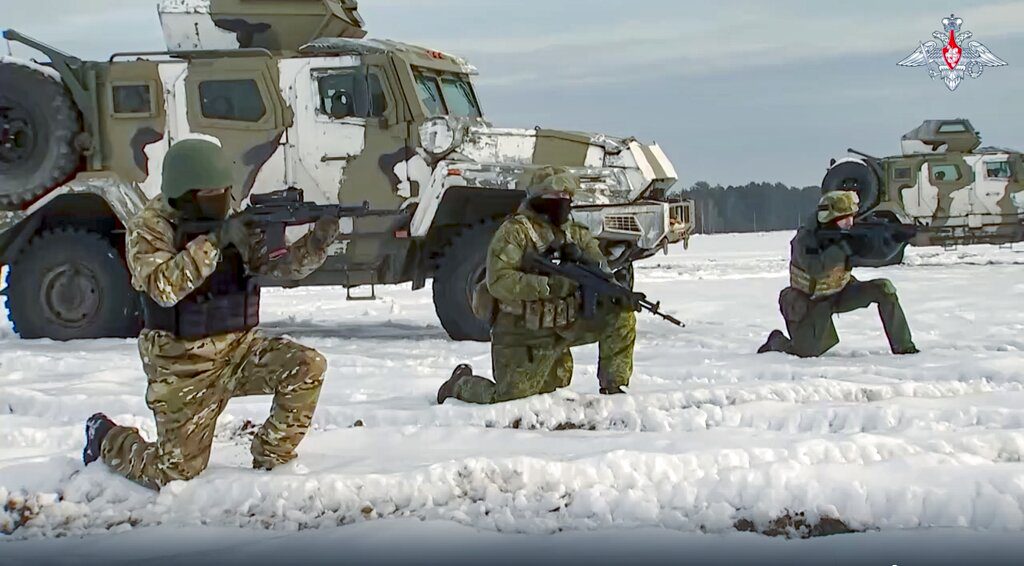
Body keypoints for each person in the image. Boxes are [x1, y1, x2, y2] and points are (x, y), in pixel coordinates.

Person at [82, 139, 340, 489]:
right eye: (210, 192)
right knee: (175, 473)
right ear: (184, 193)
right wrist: (215, 243)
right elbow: (163, 287)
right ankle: (106, 438)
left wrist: (316, 244)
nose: (221, 199)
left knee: (308, 365)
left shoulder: (228, 221)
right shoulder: (149, 228)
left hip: (239, 350)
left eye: (224, 191)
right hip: (183, 365)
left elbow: (279, 268)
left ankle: (272, 457)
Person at [436, 166, 636, 405]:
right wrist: (550, 286)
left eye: (567, 198)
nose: (563, 203)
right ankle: (459, 384)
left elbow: (599, 271)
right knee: (509, 398)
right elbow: (499, 281)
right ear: (537, 198)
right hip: (521, 328)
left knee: (621, 315)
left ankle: (613, 388)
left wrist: (618, 292)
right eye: (555, 198)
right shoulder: (515, 232)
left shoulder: (576, 234)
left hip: (564, 323)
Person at [758, 190, 918, 358]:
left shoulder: (846, 234)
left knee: (884, 289)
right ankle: (776, 342)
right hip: (810, 300)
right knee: (806, 353)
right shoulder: (806, 239)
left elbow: (877, 258)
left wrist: (894, 240)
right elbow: (815, 268)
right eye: (844, 219)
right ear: (830, 219)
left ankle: (904, 348)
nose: (850, 223)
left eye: (852, 217)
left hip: (841, 291)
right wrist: (842, 248)